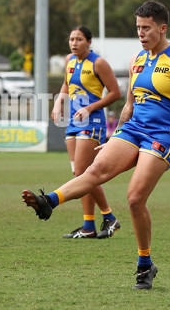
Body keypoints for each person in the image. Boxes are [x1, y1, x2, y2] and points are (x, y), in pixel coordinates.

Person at [22, 0, 170, 289]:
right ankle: (49, 201)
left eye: (146, 27)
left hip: (164, 135)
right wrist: (116, 136)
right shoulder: (137, 60)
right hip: (133, 129)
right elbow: (129, 104)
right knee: (94, 170)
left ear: (162, 28)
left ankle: (145, 263)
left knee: (135, 199)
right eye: (138, 27)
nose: (141, 32)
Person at [51, 26, 122, 239]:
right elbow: (66, 84)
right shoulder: (69, 61)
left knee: (84, 174)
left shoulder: (98, 63)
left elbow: (116, 93)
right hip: (74, 121)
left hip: (92, 122)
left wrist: (90, 108)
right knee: (78, 174)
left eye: (79, 39)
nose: (74, 43)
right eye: (71, 39)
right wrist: (58, 103)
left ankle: (109, 217)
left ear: (88, 42)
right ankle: (88, 226)